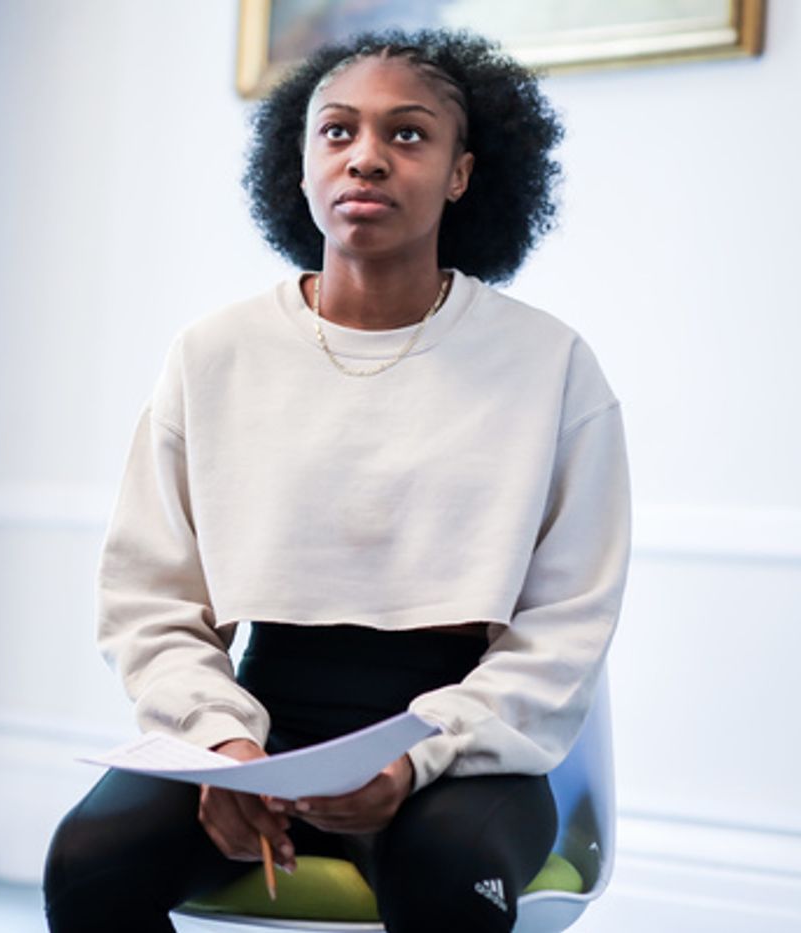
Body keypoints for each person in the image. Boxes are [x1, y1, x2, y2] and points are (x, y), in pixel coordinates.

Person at [43, 28, 629, 933]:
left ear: (462, 173)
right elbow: (148, 599)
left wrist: (416, 759)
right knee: (88, 866)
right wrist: (225, 747)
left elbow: (567, 624)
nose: (366, 158)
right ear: (304, 164)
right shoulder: (215, 355)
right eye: (337, 132)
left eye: (407, 135)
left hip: (462, 742)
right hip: (259, 721)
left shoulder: (549, 364)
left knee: (450, 876)